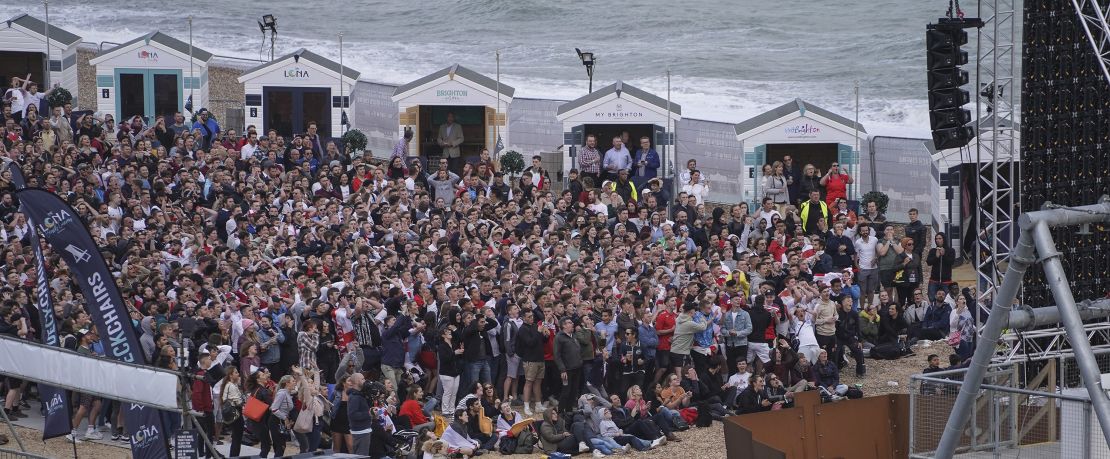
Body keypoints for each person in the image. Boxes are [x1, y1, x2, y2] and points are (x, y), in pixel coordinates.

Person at [927, 232, 956, 300]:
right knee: (932, 298)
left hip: (946, 281)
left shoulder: (951, 250)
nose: (938, 240)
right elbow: (929, 262)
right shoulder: (933, 250)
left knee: (947, 299)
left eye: (940, 238)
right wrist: (936, 257)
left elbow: (951, 262)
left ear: (944, 239)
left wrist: (944, 255)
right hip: (934, 280)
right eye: (936, 239)